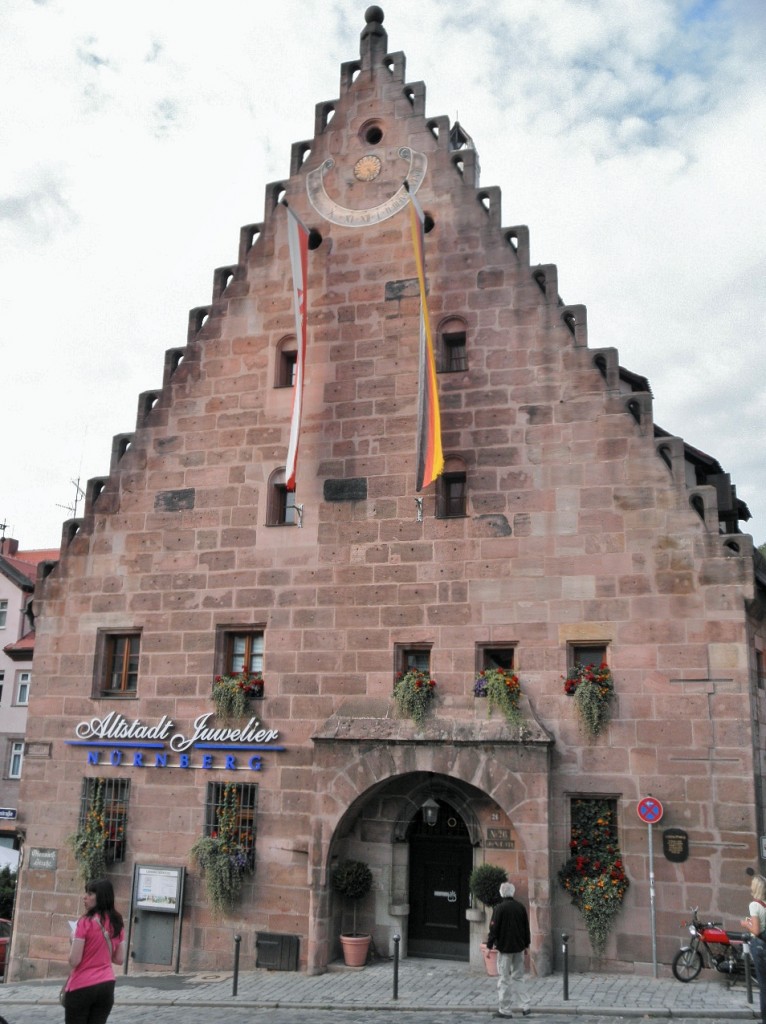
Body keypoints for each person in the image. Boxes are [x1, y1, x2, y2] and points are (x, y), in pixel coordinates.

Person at [62, 878, 126, 1024]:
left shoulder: (85, 922)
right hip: (106, 984)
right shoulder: (117, 922)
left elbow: (74, 961)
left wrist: (73, 940)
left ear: (101, 897)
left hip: (82, 986)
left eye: (90, 894)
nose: (85, 897)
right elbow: (119, 959)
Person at [486, 881, 531, 1018]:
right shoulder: (520, 907)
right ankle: (525, 1005)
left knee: (504, 979)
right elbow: (526, 928)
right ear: (513, 892)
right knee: (519, 977)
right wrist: (527, 945)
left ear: (501, 893)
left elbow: (493, 929)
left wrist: (489, 946)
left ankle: (505, 1010)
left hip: (505, 949)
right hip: (518, 948)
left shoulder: (499, 908)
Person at [742, 873, 766, 1024]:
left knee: (763, 985)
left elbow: (756, 930)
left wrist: (746, 924)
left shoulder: (754, 905)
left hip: (760, 946)